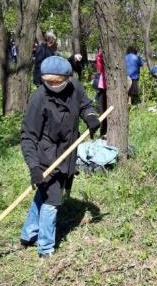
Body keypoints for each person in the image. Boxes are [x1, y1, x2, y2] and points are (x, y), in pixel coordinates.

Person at [20, 56, 101, 258]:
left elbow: (85, 105)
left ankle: (29, 234)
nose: (54, 85)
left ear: (68, 77)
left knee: (44, 193)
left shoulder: (75, 87)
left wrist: (91, 117)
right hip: (46, 155)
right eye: (49, 82)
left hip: (67, 151)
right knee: (52, 199)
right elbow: (28, 135)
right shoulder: (39, 98)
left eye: (58, 81)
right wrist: (34, 166)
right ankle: (45, 249)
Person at [94, 49, 107, 136]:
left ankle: (104, 131)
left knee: (104, 110)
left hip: (104, 85)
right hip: (104, 85)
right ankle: (103, 132)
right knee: (103, 110)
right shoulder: (101, 54)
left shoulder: (100, 54)